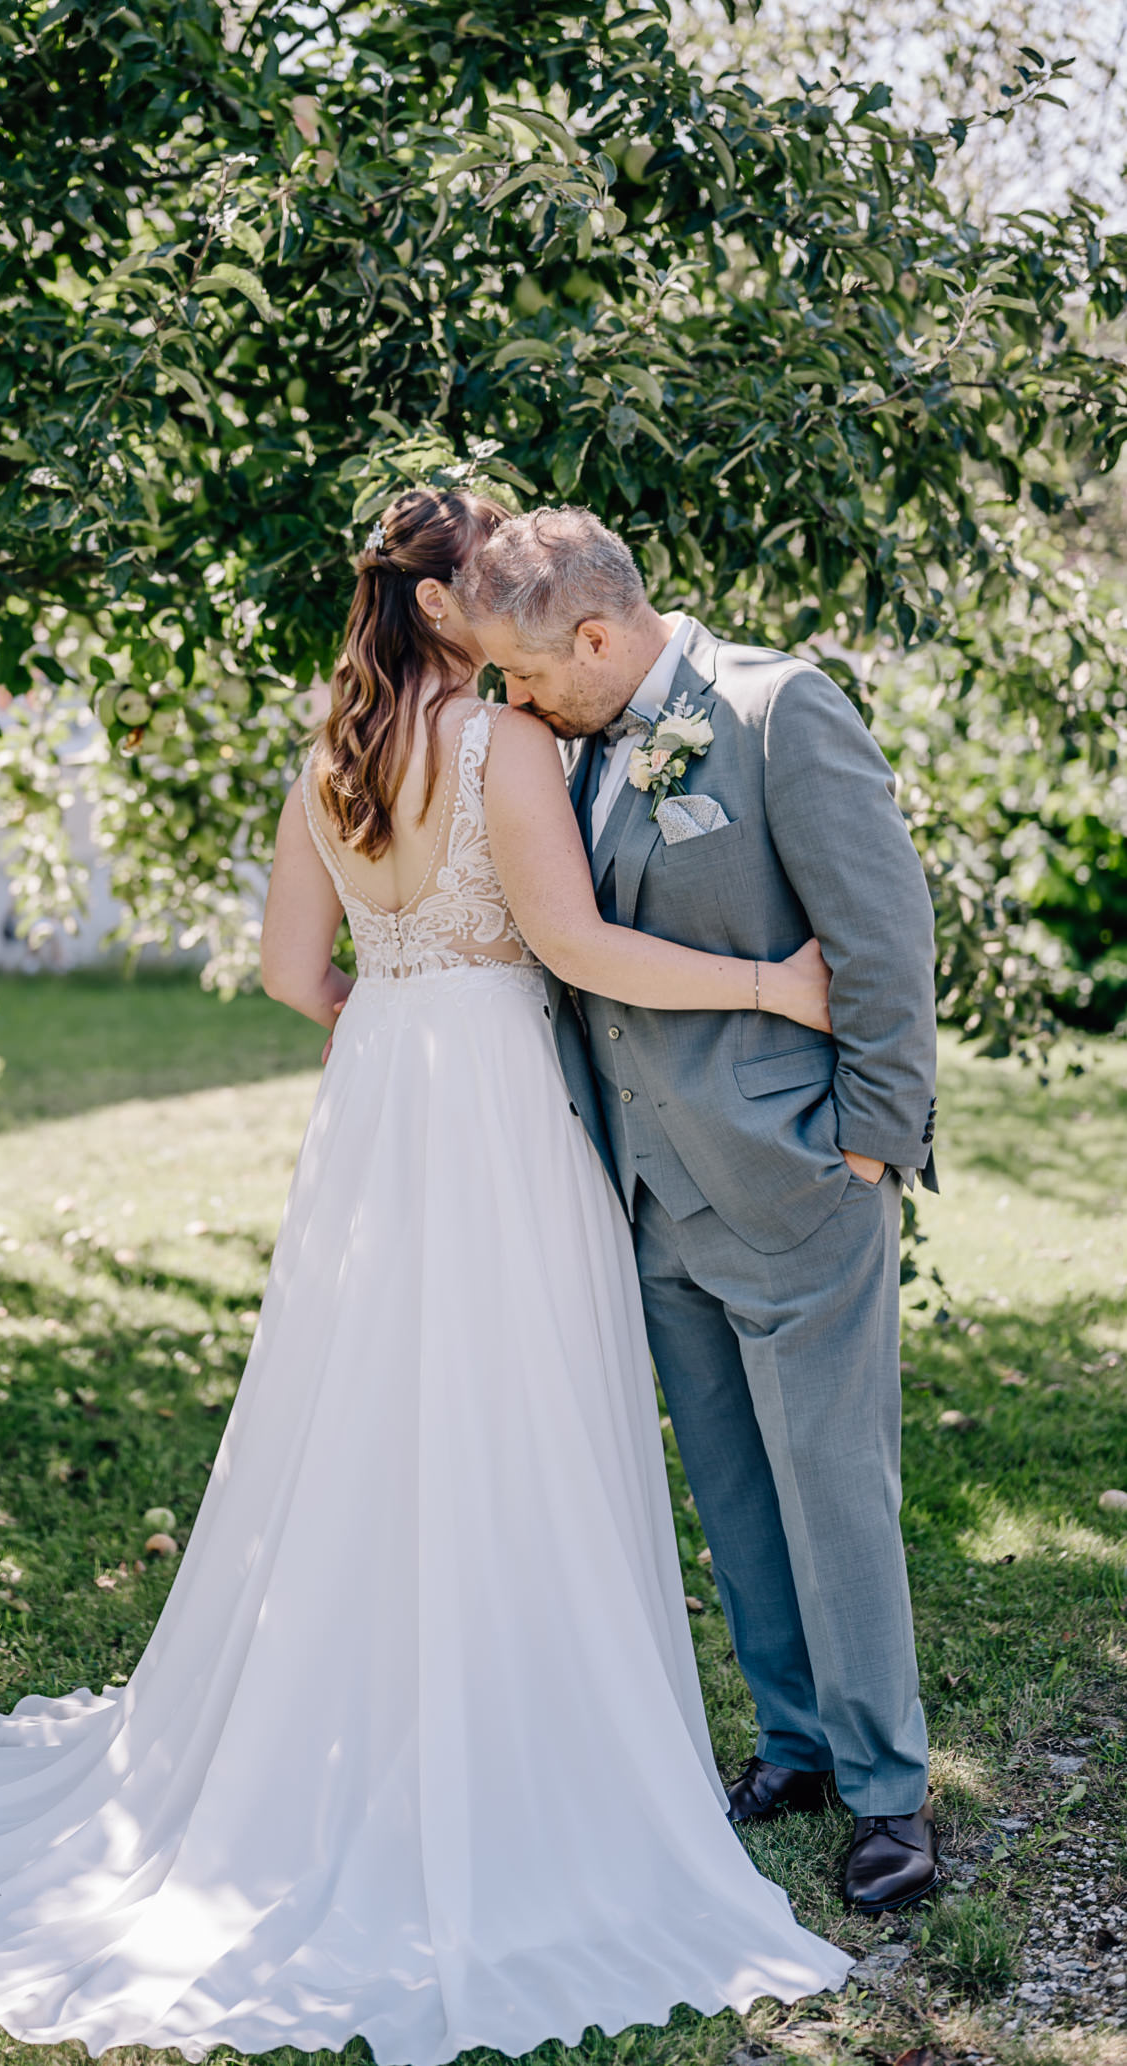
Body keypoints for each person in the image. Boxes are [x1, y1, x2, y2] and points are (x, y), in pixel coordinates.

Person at [0, 488, 852, 2064]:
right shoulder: (504, 744)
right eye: (489, 571)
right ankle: (524, 1739)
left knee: (362, 1420)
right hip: (501, 1099)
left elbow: (299, 971)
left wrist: (403, 1021)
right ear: (448, 609)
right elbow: (575, 948)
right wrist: (770, 979)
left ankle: (363, 1707)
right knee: (519, 1407)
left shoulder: (332, 736)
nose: (512, 591)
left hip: (381, 1099)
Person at [457, 505, 940, 1917]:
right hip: (652, 1196)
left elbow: (886, 943)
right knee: (732, 1490)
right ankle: (790, 1744)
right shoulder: (572, 748)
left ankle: (886, 1788)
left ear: (596, 636)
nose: (514, 702)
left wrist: (866, 1147)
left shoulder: (781, 712)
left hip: (798, 1180)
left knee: (836, 1489)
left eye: (530, 676)